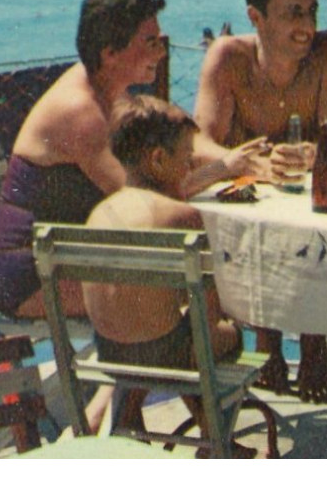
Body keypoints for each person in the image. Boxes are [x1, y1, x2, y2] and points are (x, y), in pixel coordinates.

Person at [194, 0, 327, 452]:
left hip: (306, 214)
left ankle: (311, 337)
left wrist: (306, 156)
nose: (307, 26)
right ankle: (273, 337)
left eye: (312, 10)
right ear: (255, 18)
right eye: (293, 13)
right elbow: (200, 143)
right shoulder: (229, 59)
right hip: (248, 216)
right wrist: (249, 162)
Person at [0, 0, 261, 322]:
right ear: (110, 53)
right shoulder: (82, 112)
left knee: (213, 281)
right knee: (206, 285)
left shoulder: (105, 88)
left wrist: (235, 160)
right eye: (150, 43)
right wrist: (222, 168)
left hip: (68, 257)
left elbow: (176, 147)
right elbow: (146, 199)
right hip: (35, 280)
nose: (161, 53)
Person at [83, 99, 240, 375]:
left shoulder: (99, 212)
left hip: (110, 355)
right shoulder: (181, 215)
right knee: (230, 333)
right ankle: (208, 417)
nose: (190, 169)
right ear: (157, 159)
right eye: (186, 159)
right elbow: (210, 319)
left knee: (155, 333)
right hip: (167, 358)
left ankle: (128, 416)